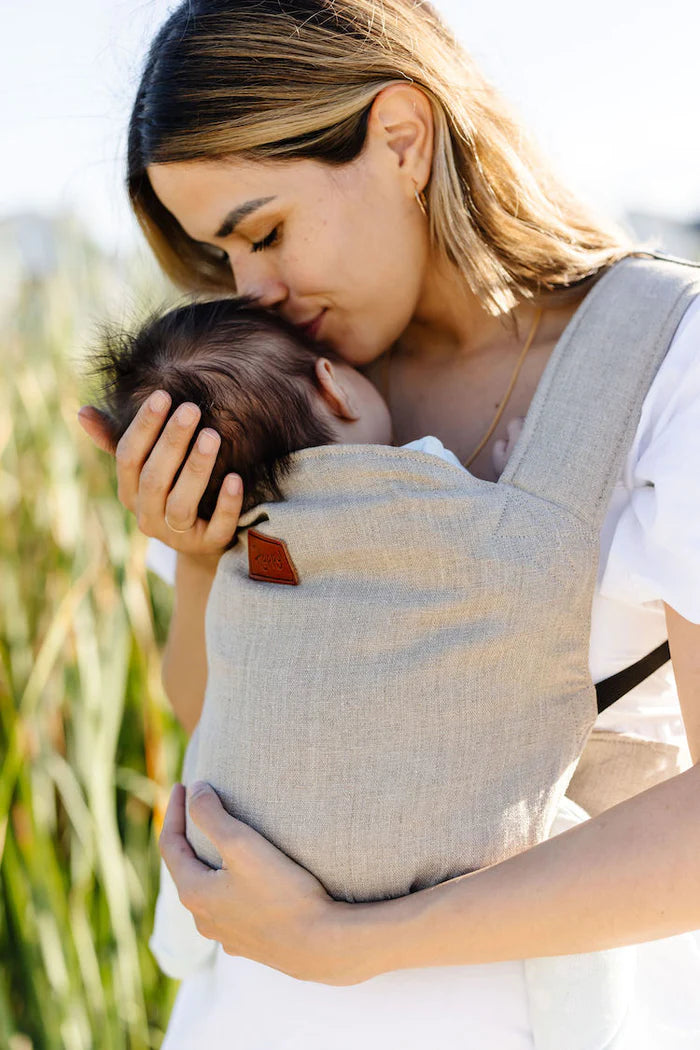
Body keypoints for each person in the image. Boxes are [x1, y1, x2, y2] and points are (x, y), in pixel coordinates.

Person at [77, 1, 700, 1047]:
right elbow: (218, 714)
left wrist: (356, 940)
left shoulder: (665, 365)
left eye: (262, 230)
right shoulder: (278, 386)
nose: (253, 289)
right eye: (218, 257)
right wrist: (198, 558)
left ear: (402, 139)